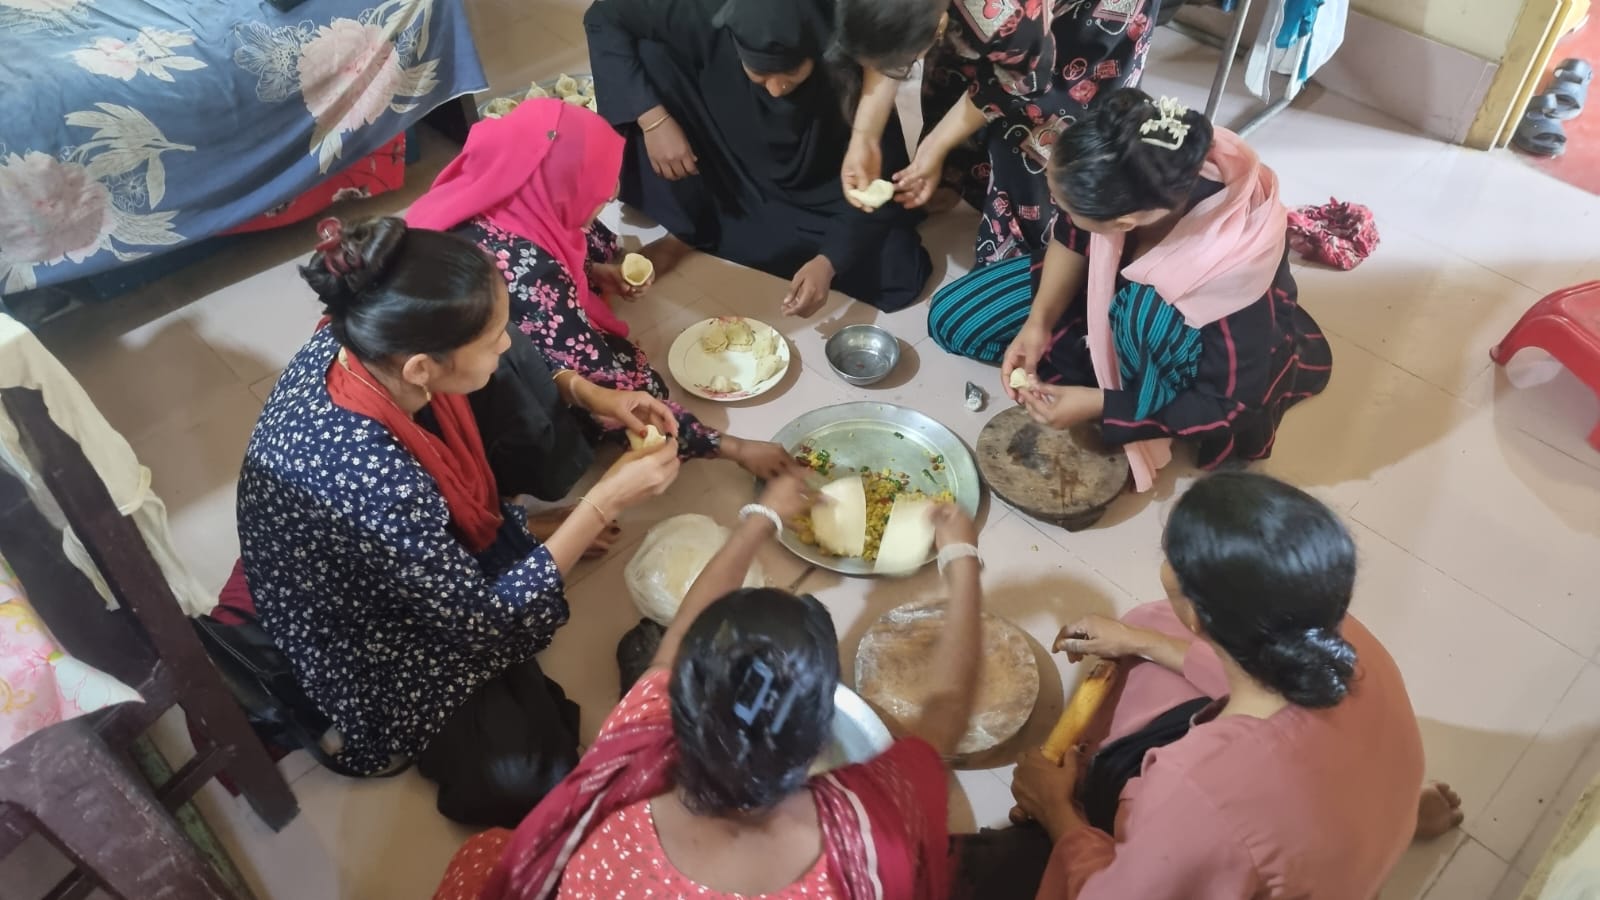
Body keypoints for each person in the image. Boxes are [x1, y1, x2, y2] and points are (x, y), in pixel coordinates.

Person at [238, 216, 684, 828]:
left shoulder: (367, 342)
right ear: (421, 368)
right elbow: (484, 625)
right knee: (524, 773)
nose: (506, 342)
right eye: (492, 335)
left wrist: (593, 395)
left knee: (513, 371)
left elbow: (510, 352)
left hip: (403, 541)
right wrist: (601, 503)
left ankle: (509, 539)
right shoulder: (374, 477)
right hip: (365, 629)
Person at [431, 474, 986, 899]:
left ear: (680, 704)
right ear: (820, 742)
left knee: (487, 854)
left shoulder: (635, 752)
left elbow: (680, 633)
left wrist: (760, 519)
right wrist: (961, 559)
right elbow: (945, 712)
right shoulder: (864, 823)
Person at [953, 472, 1458, 899]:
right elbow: (1265, 680)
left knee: (990, 868)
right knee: (1147, 632)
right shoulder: (1342, 637)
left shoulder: (1198, 787)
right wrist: (1140, 641)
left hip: (1275, 848)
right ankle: (1402, 820)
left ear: (1195, 615)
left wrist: (1056, 809)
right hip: (1363, 821)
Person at [929, 90, 1330, 491]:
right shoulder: (1134, 169)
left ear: (1123, 224)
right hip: (1107, 297)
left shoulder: (1234, 268)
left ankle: (1127, 388)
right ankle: (1104, 363)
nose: (1062, 214)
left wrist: (1103, 405)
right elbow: (1072, 237)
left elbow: (1230, 405)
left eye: (1069, 210)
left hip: (1181, 340)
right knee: (954, 317)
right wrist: (1038, 324)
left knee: (1143, 312)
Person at [404, 99, 796, 480]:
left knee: (587, 234)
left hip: (485, 309)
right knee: (641, 390)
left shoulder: (484, 186)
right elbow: (605, 385)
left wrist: (593, 272)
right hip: (476, 385)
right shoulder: (530, 274)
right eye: (597, 186)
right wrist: (733, 447)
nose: (612, 194)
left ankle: (613, 256)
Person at [583, 0, 933, 317]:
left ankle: (710, 228)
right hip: (727, 159)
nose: (776, 89)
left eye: (790, 74)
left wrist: (829, 262)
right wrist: (653, 120)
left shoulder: (844, 57)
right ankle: (692, 225)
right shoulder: (705, 12)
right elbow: (603, 16)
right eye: (760, 74)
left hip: (813, 190)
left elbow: (877, 171)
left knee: (898, 271)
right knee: (652, 54)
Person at [835, 0, 1159, 265]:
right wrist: (865, 136)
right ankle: (964, 178)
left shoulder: (1006, 16)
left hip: (1077, 20)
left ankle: (1023, 258)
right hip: (1005, 27)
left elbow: (1024, 77)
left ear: (939, 25)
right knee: (958, 70)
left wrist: (935, 146)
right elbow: (885, 32)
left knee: (1045, 116)